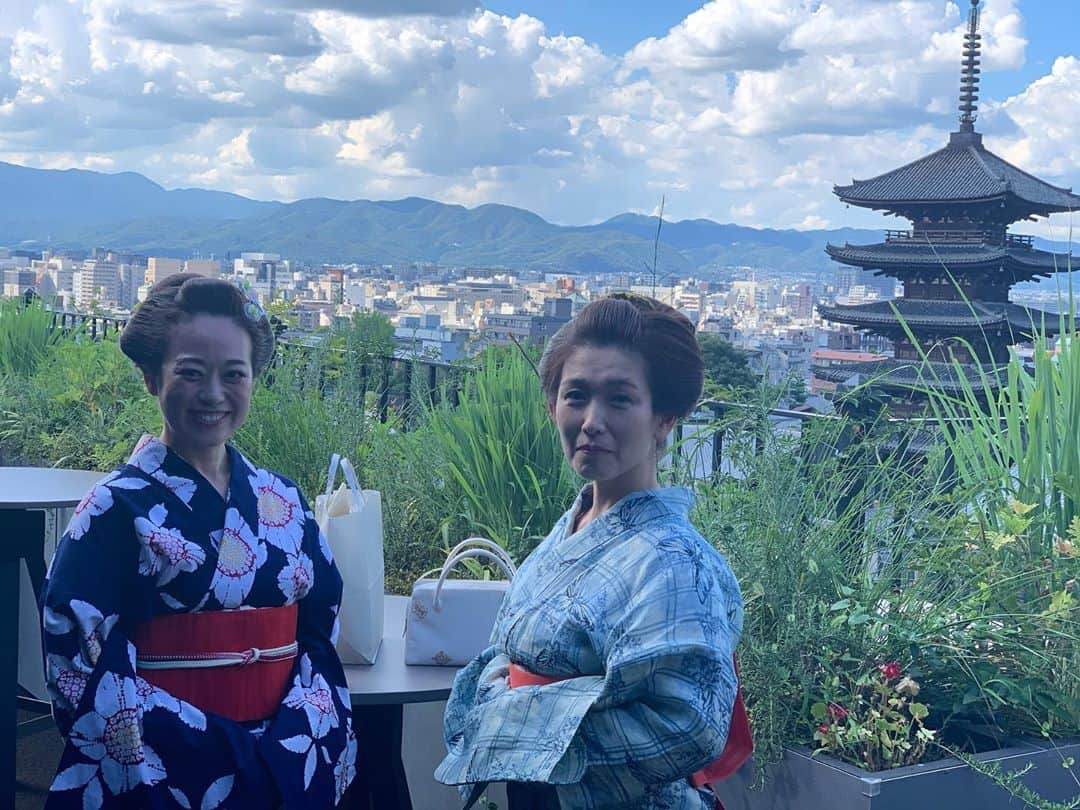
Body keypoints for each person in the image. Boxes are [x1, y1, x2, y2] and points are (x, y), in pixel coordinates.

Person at [41, 274, 356, 808]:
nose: (213, 394)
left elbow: (318, 631)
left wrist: (287, 741)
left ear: (254, 378)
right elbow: (76, 657)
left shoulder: (283, 498)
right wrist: (207, 744)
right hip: (159, 764)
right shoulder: (115, 507)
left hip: (280, 754)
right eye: (190, 373)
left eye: (234, 373)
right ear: (150, 377)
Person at [436, 294, 745, 809]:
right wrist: (504, 700)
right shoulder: (571, 528)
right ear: (552, 405)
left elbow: (690, 722)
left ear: (664, 418)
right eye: (575, 395)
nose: (591, 420)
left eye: (619, 399)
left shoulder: (672, 560)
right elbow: (501, 655)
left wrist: (520, 722)